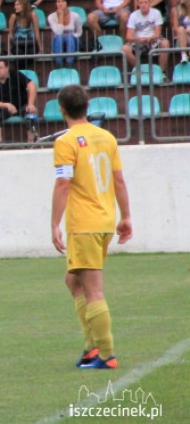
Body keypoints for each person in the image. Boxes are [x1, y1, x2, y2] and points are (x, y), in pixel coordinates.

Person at [51, 85, 132, 370]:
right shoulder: (106, 137)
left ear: (62, 109)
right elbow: (118, 180)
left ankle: (106, 354)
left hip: (83, 223)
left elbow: (63, 183)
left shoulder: (66, 141)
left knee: (92, 288)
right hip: (104, 220)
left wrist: (54, 224)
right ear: (87, 106)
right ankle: (90, 347)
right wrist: (126, 216)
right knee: (73, 281)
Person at [0, 59, 38, 144]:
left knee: (31, 111)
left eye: (0, 68)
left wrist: (31, 104)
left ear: (7, 68)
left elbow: (32, 85)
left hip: (22, 106)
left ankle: (31, 142)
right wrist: (6, 105)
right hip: (5, 110)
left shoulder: (16, 75)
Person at [122, 0, 170, 71]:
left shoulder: (156, 13)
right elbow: (128, 36)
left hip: (153, 40)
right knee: (125, 49)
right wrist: (139, 39)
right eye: (141, 3)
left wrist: (149, 39)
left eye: (145, 2)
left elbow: (157, 33)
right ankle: (139, 71)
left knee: (165, 43)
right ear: (138, 4)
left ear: (150, 3)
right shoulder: (133, 15)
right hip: (138, 41)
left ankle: (162, 72)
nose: (143, 5)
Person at [7, 0, 41, 68]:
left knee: (31, 53)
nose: (15, 7)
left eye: (18, 4)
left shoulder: (33, 15)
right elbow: (10, 34)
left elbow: (36, 32)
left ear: (24, 5)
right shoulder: (14, 16)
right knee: (19, 54)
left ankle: (21, 73)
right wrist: (9, 49)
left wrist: (40, 48)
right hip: (17, 43)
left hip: (30, 42)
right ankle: (22, 73)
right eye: (15, 5)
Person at [49, 0, 83, 66]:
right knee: (59, 37)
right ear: (56, 4)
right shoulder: (51, 17)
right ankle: (59, 64)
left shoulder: (75, 16)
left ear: (67, 3)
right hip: (58, 43)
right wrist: (61, 17)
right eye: (58, 2)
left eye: (63, 1)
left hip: (74, 42)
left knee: (69, 37)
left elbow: (79, 32)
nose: (60, 4)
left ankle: (69, 64)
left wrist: (69, 36)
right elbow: (58, 33)